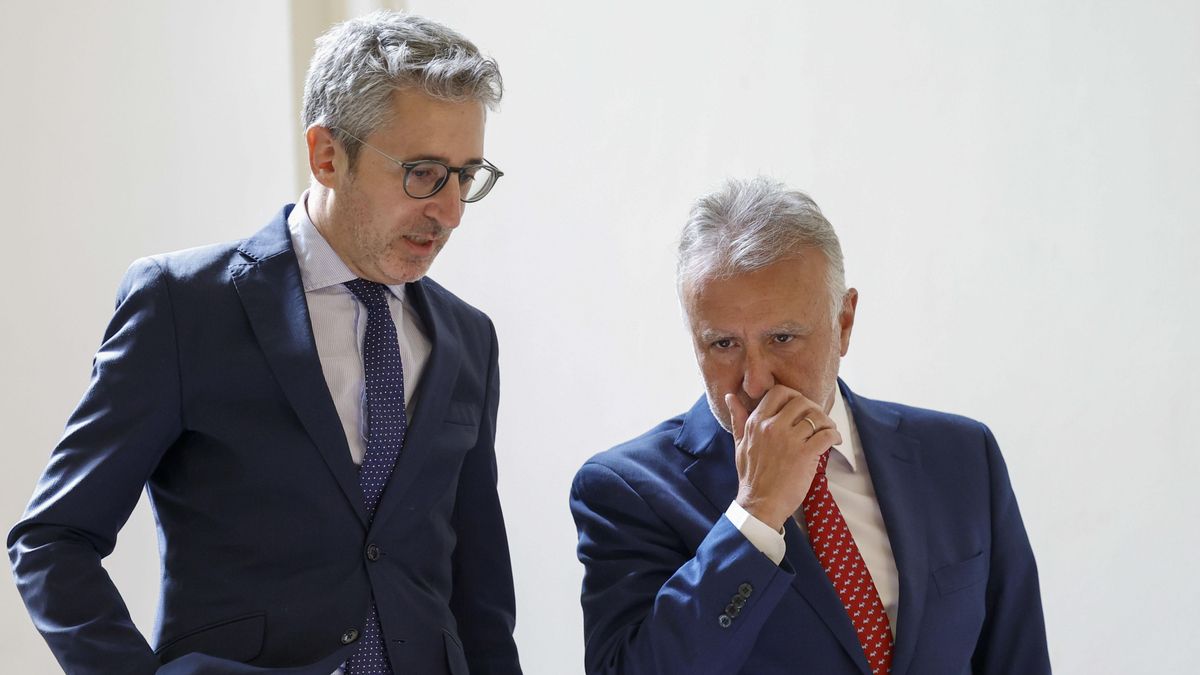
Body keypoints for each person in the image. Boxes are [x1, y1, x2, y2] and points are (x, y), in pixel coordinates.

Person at [8, 12, 521, 675]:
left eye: (466, 175)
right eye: (423, 173)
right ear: (327, 155)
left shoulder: (468, 337)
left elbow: (481, 593)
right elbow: (53, 539)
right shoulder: (183, 306)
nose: (449, 211)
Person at [569, 177, 1050, 675]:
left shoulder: (961, 456)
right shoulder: (627, 491)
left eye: (782, 337)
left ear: (844, 323)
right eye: (723, 344)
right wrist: (755, 515)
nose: (755, 380)